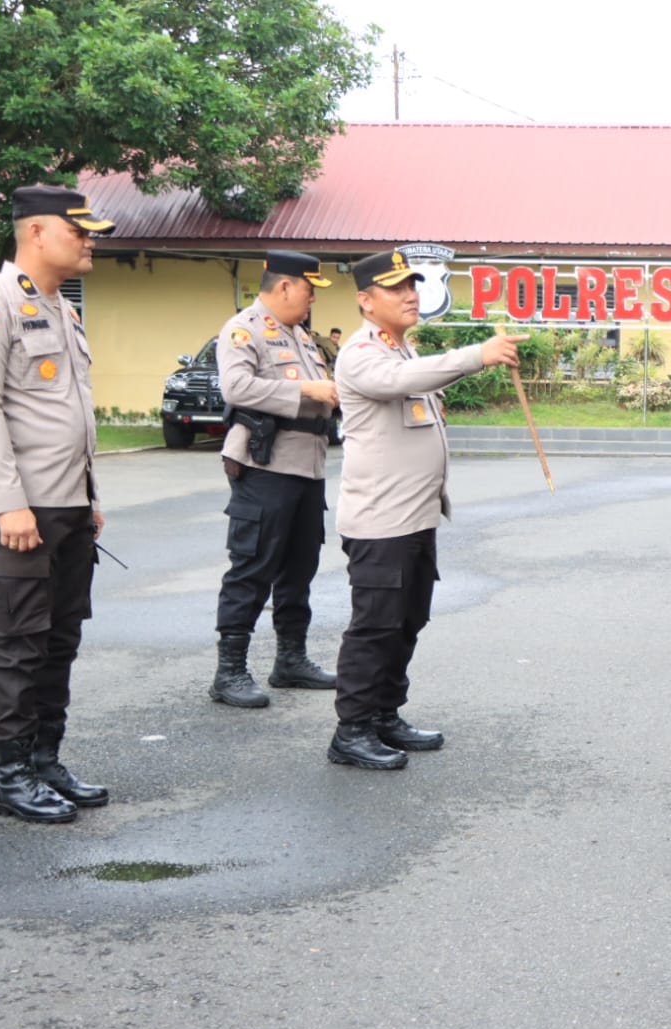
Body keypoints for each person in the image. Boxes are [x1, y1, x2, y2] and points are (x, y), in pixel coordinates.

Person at [0, 185, 116, 822]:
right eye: (81, 231)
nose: (90, 241)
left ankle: (46, 759)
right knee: (19, 643)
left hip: (68, 504)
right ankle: (11, 776)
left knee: (61, 639)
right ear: (38, 233)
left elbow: (67, 415)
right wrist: (6, 502)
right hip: (20, 508)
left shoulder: (63, 311)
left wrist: (90, 496)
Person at [327, 251, 525, 768]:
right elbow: (403, 382)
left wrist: (476, 361)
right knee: (374, 627)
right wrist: (477, 353)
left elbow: (420, 378)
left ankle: (385, 714)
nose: (411, 295)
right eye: (396, 288)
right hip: (380, 522)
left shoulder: (401, 349)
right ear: (366, 301)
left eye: (412, 285)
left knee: (406, 621)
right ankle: (351, 730)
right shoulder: (361, 354)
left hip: (415, 518)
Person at [209, 251, 340, 708]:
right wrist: (306, 389)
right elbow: (236, 388)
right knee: (251, 567)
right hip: (266, 467)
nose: (310, 301)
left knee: (299, 569)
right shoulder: (245, 329)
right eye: (308, 290)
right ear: (285, 286)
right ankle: (229, 672)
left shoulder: (300, 336)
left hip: (307, 467)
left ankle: (291, 660)